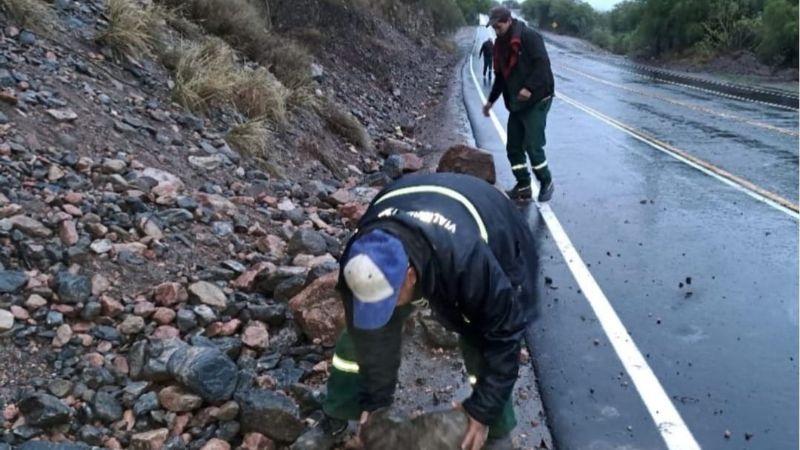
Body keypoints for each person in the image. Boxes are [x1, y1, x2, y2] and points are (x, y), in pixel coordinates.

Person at [295, 172, 541, 450]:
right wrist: (375, 404)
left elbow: (505, 333)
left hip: (497, 227)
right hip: (411, 203)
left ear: (410, 275)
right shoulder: (359, 256)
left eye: (388, 298)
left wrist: (482, 410)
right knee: (356, 339)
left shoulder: (468, 262)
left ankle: (494, 430)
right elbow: (369, 336)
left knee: (483, 340)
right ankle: (338, 414)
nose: (381, 310)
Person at [482, 6, 555, 203]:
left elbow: (543, 65)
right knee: (513, 146)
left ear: (508, 20)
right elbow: (500, 77)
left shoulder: (530, 37)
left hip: (538, 98)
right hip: (517, 102)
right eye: (494, 27)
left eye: (498, 26)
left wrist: (529, 88)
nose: (496, 30)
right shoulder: (500, 45)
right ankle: (523, 185)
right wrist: (490, 102)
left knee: (533, 145)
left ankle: (546, 181)